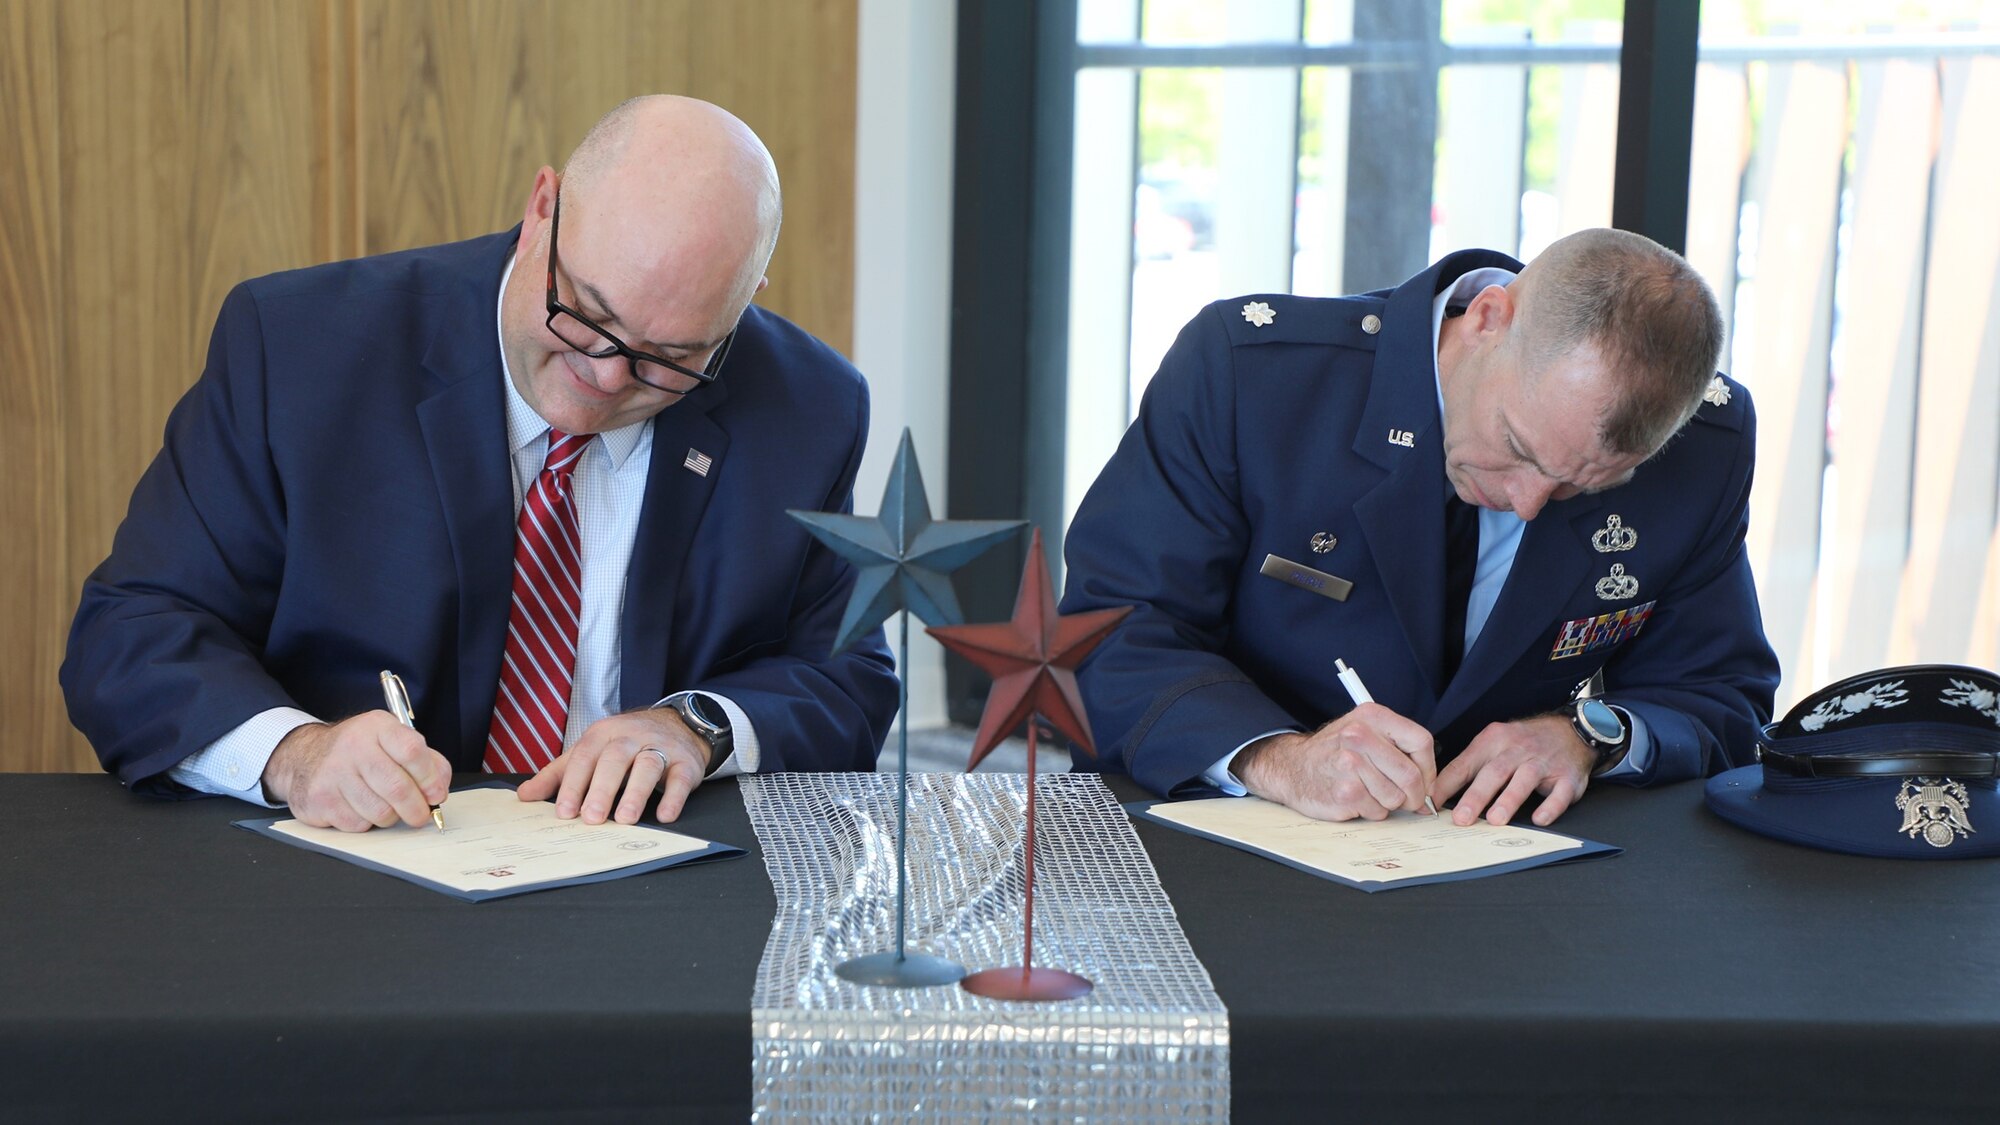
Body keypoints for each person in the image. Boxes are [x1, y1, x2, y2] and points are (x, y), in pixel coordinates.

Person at [62, 96, 898, 832]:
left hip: (648, 892)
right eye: (585, 314)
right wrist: (298, 752)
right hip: (345, 882)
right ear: (542, 209)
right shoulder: (299, 349)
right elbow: (131, 633)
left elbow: (847, 673)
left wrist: (698, 728)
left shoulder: (810, 407)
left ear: (741, 307)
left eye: (669, 358)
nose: (607, 377)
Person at [1061, 229, 1780, 827]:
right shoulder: (1252, 377)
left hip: (1517, 878)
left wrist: (1592, 735)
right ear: (1488, 318)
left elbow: (1719, 694)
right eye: (1520, 448)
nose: (1529, 502)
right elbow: (1108, 634)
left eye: (1584, 484)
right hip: (1241, 839)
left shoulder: (1706, 448)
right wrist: (1278, 757)